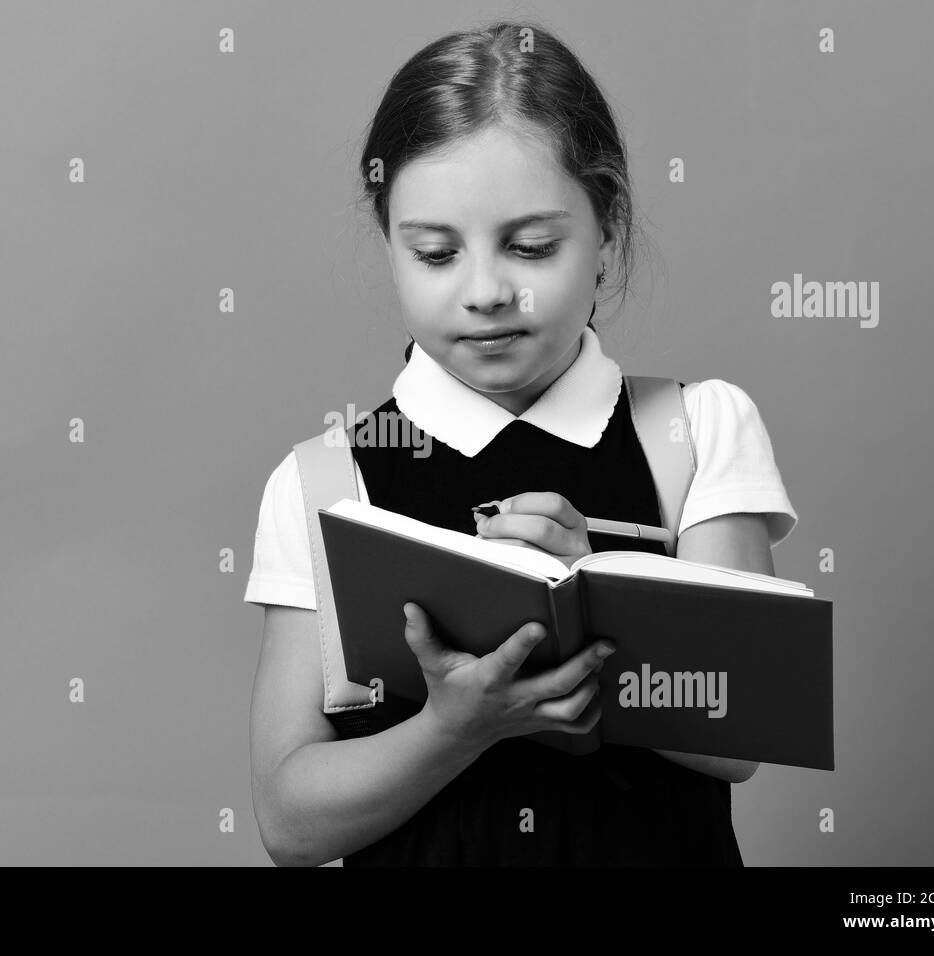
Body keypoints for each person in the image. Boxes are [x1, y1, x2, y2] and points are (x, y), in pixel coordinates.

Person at [244, 20, 798, 867]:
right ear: (390, 245)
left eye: (531, 246)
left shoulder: (693, 432)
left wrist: (598, 617)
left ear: (607, 229)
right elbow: (290, 825)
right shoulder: (325, 481)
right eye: (436, 254)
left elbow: (743, 736)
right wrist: (453, 726)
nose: (486, 292)